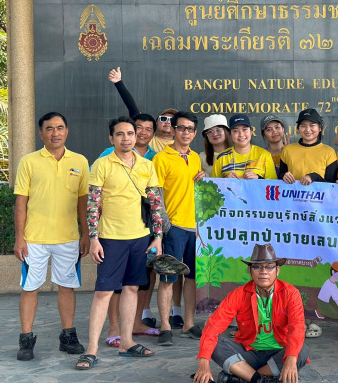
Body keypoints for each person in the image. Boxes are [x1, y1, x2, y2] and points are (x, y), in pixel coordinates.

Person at [75, 117, 163, 370]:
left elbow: (155, 204)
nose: (126, 138)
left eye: (130, 133)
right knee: (103, 292)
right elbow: (93, 205)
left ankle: (127, 342)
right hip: (110, 238)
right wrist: (94, 239)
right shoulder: (102, 164)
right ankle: (91, 350)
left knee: (132, 289)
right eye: (120, 134)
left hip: (140, 237)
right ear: (111, 139)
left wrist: (157, 237)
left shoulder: (147, 165)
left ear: (136, 137)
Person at [13, 112, 89, 361]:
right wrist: (19, 238)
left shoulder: (80, 161)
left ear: (67, 131)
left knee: (67, 287)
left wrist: (86, 234)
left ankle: (68, 337)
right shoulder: (28, 161)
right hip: (34, 239)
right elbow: (21, 202)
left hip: (68, 238)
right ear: (41, 133)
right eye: (49, 128)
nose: (55, 133)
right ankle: (26, 340)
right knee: (30, 288)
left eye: (60, 127)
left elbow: (83, 203)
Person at [192, 244, 310, 383]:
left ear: (277, 270)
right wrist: (203, 363)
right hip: (248, 354)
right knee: (215, 343)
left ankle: (243, 377)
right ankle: (261, 379)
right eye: (257, 267)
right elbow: (212, 326)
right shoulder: (238, 294)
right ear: (249, 271)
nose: (263, 272)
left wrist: (290, 359)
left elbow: (297, 328)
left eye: (269, 267)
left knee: (301, 350)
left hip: (278, 354)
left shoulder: (291, 293)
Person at [153, 111, 207, 346]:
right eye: (182, 128)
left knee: (192, 279)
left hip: (194, 228)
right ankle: (165, 326)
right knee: (168, 278)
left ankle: (189, 324)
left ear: (195, 133)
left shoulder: (195, 158)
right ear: (173, 130)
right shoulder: (161, 158)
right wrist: (165, 225)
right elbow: (156, 194)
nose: (186, 132)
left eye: (190, 129)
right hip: (174, 228)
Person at [107, 67, 176, 153]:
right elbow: (132, 109)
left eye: (172, 120)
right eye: (164, 118)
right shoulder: (145, 138)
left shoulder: (179, 145)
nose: (168, 122)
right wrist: (118, 83)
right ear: (156, 123)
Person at [278, 108, 337, 185]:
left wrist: (315, 177)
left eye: (312, 125)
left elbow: (331, 185)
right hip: (292, 193)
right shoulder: (287, 150)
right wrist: (283, 176)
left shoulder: (329, 152)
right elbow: (280, 176)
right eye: (303, 126)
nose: (308, 130)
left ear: (320, 128)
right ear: (298, 128)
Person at [212, 115, 277, 179]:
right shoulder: (221, 158)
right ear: (230, 134)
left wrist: (258, 178)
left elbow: (273, 184)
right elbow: (212, 184)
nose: (241, 134)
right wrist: (225, 180)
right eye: (235, 131)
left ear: (251, 131)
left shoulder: (264, 155)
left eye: (244, 129)